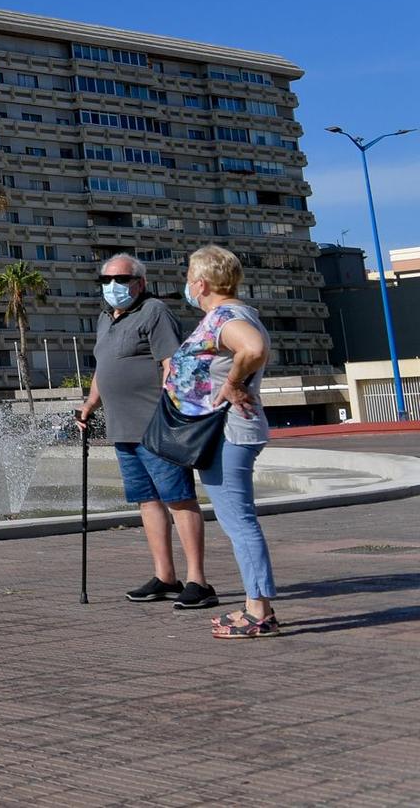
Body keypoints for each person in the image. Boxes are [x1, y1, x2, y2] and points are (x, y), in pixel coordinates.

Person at [75, 254, 214, 609]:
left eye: (120, 280)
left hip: (156, 427)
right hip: (123, 431)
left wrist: (171, 413)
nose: (112, 287)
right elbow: (104, 369)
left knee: (179, 499)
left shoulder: (154, 312)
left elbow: (172, 364)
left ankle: (198, 580)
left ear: (140, 282)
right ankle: (165, 577)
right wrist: (90, 405)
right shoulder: (106, 319)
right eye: (105, 281)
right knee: (147, 502)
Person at [166, 244, 281, 639]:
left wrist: (232, 383)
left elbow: (253, 348)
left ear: (200, 283)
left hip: (229, 431)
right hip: (225, 432)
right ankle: (256, 607)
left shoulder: (226, 316)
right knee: (238, 521)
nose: (186, 285)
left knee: (239, 522)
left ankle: (259, 614)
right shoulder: (227, 315)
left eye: (187, 278)